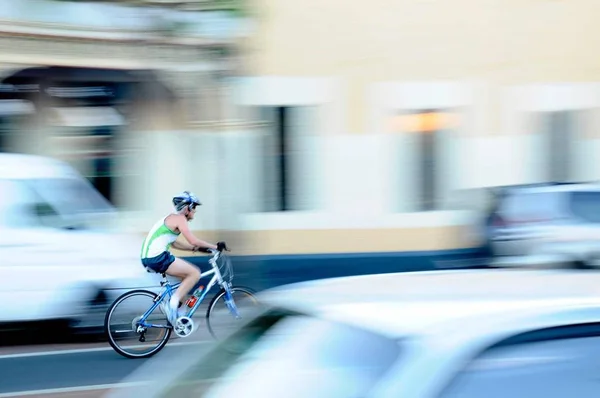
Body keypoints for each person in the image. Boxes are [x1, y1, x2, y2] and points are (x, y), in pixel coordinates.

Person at [140, 190, 228, 325]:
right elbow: (193, 240)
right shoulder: (180, 219)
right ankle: (172, 305)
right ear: (187, 207)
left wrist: (196, 249)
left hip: (149, 258)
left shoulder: (171, 219)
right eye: (194, 208)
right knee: (195, 273)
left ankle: (180, 317)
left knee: (185, 279)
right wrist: (215, 247)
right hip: (157, 257)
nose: (195, 211)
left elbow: (174, 243)